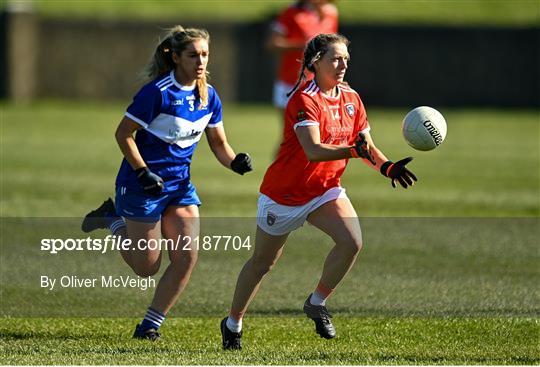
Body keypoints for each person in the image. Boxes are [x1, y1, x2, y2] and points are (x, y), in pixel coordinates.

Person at [220, 33, 417, 350]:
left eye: (346, 60)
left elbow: (366, 147)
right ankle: (233, 323)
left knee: (352, 241)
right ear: (316, 62)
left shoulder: (351, 99)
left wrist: (387, 167)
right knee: (262, 264)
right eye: (335, 59)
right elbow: (313, 149)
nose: (343, 65)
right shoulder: (303, 99)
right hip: (284, 195)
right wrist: (355, 152)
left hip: (325, 190)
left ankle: (316, 302)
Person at [81, 25, 252, 341]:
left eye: (204, 54)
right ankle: (111, 218)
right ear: (175, 57)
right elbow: (123, 134)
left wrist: (234, 162)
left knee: (186, 257)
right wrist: (144, 172)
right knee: (147, 267)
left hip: (179, 187)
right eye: (192, 55)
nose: (200, 61)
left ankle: (149, 325)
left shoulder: (209, 96)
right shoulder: (156, 93)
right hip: (140, 185)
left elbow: (218, 144)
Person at [267, 0, 338, 110]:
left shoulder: (331, 13)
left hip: (321, 82)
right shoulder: (292, 12)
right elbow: (272, 43)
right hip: (292, 81)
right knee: (292, 125)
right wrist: (303, 46)